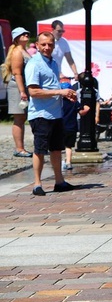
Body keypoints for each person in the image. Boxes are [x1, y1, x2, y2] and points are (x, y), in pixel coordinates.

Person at [24, 31, 80, 195]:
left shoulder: (54, 63)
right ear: (37, 45)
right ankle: (37, 184)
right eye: (43, 44)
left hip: (56, 113)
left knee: (56, 149)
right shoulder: (34, 63)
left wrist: (66, 93)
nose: (47, 47)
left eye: (50, 44)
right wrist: (59, 92)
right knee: (40, 149)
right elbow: (33, 92)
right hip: (41, 114)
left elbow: (52, 87)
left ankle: (59, 181)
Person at [3, 27, 33, 157]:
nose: (26, 35)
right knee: (19, 117)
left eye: (27, 33)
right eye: (23, 34)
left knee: (22, 117)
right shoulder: (17, 52)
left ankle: (20, 148)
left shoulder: (24, 50)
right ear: (16, 37)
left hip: (23, 86)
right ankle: (19, 148)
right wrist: (22, 92)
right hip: (17, 87)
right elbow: (17, 73)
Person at [60, 77, 90, 171]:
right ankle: (68, 162)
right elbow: (81, 112)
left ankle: (60, 163)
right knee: (68, 146)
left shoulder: (58, 102)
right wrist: (87, 108)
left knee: (58, 146)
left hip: (60, 126)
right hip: (71, 126)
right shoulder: (74, 102)